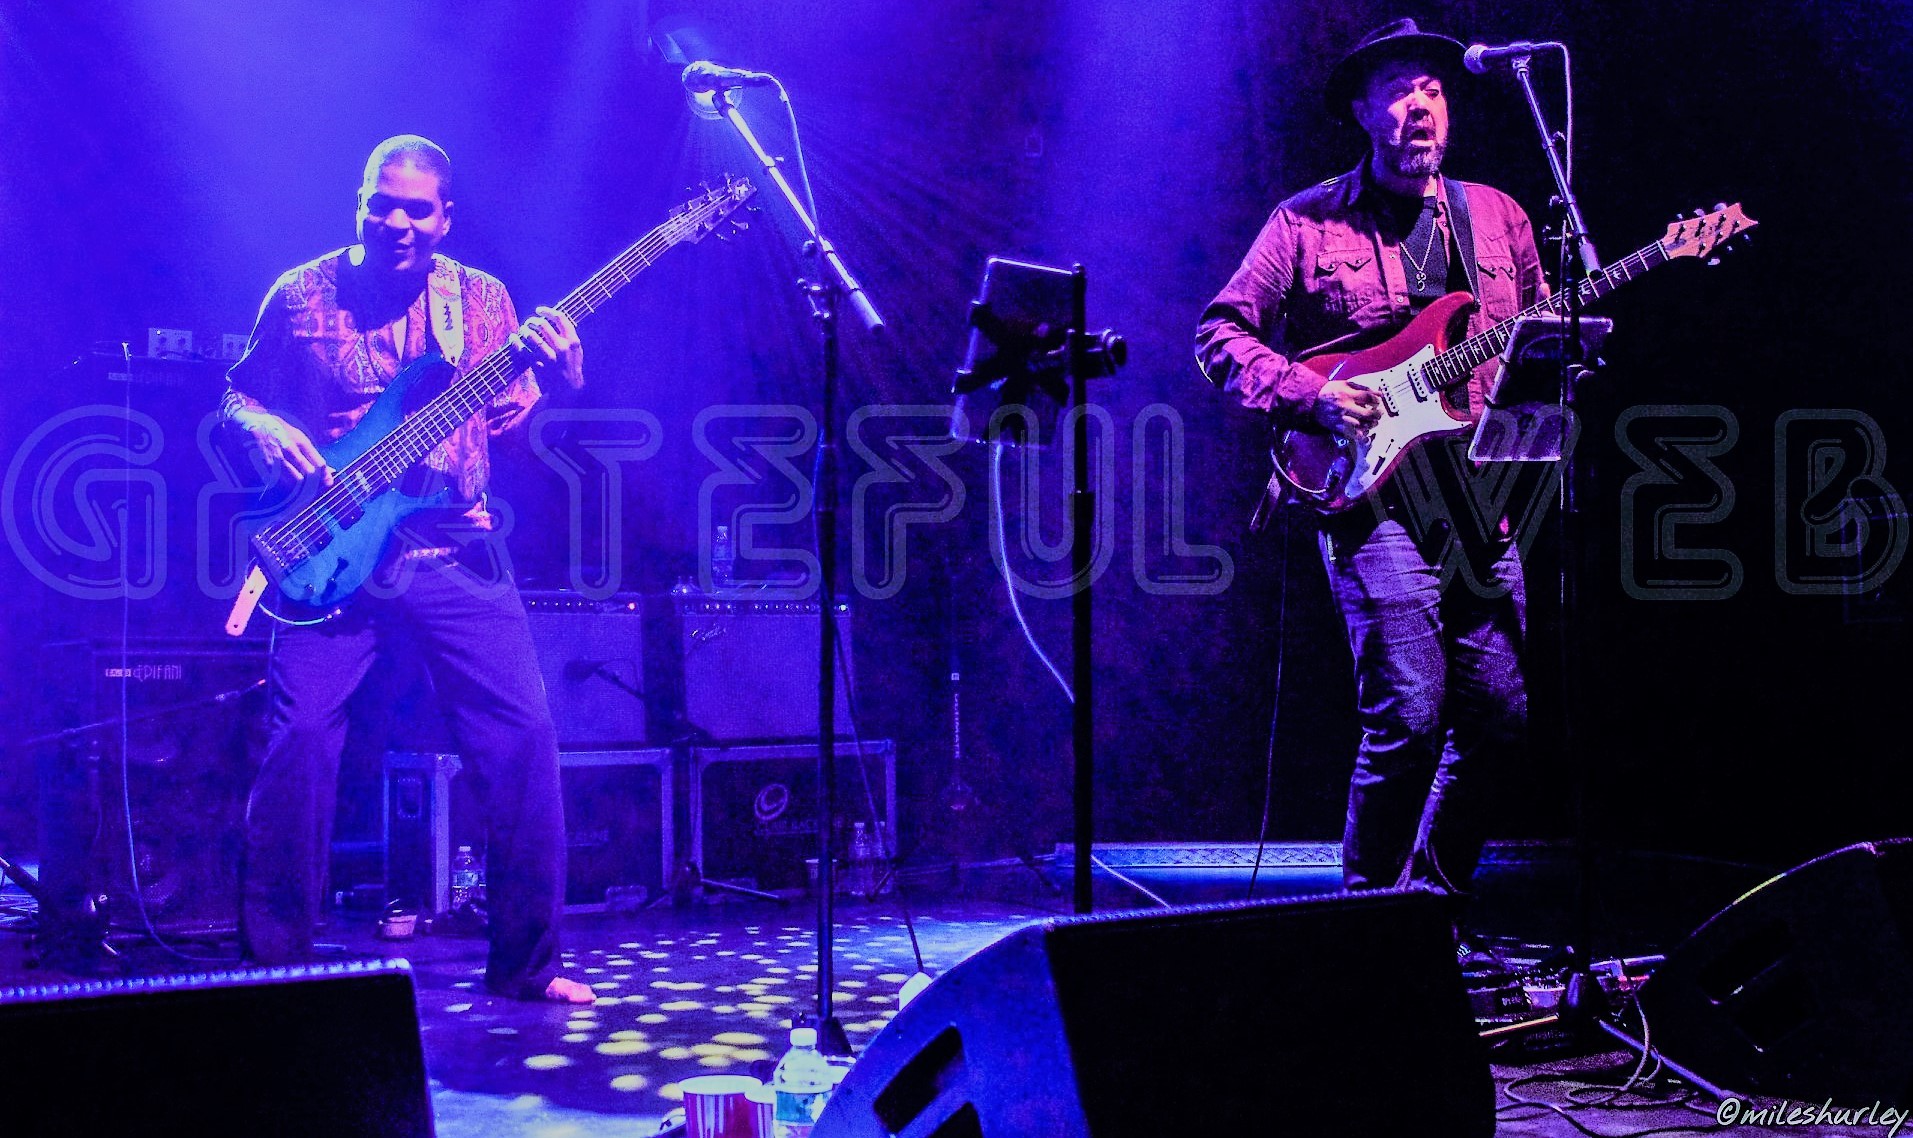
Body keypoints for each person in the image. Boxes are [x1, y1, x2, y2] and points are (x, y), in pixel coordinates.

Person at [222, 134, 593, 1002]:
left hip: (452, 545)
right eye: (380, 203)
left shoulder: (484, 301)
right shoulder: (301, 291)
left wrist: (566, 384)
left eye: (416, 209)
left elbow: (514, 429)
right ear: (358, 202)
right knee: (301, 740)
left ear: (445, 217)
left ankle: (528, 966)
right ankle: (276, 966)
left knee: (524, 738)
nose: (396, 221)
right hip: (331, 551)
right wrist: (260, 426)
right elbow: (238, 391)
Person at [1196, 20, 1547, 901]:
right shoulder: (1305, 221)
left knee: (1502, 722)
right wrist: (1308, 394)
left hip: (1480, 498)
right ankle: (1365, 922)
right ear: (1361, 111)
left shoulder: (1496, 215)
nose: (1417, 104)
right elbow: (1218, 333)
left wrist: (1564, 351)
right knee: (1409, 714)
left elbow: (1535, 339)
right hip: (1370, 493)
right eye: (1396, 89)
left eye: (1430, 88)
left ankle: (1425, 904)